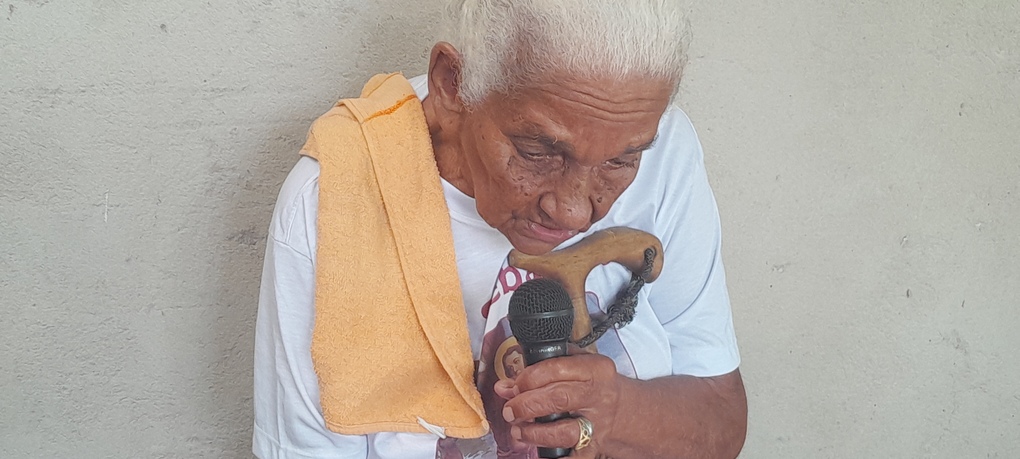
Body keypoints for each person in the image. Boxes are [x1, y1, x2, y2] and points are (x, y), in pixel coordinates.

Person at [253, 1, 748, 458]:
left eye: (620, 162)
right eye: (538, 152)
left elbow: (722, 420)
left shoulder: (653, 137)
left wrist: (619, 413)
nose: (575, 213)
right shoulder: (336, 201)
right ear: (453, 84)